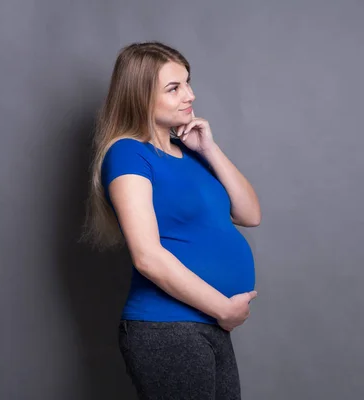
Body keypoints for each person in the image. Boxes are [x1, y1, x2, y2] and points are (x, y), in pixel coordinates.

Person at [82, 41, 260, 399]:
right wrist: (224, 309)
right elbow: (147, 256)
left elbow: (249, 214)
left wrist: (208, 148)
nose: (190, 95)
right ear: (141, 96)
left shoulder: (191, 153)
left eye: (188, 82)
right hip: (167, 328)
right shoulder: (128, 153)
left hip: (208, 324)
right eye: (174, 88)